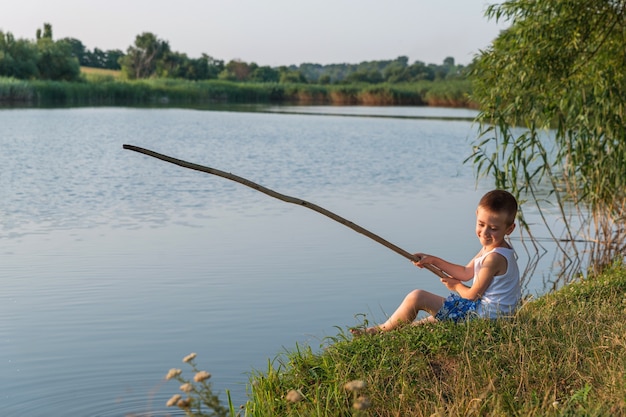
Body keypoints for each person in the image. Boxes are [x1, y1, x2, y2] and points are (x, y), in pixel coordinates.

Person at [353, 189, 521, 335]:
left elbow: (472, 296)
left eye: (493, 228)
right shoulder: (493, 248)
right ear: (476, 216)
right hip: (488, 314)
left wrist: (455, 287)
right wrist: (432, 260)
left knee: (417, 297)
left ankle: (381, 331)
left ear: (509, 229)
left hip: (485, 320)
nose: (484, 232)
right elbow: (465, 272)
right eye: (481, 224)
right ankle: (380, 332)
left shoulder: (494, 258)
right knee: (430, 321)